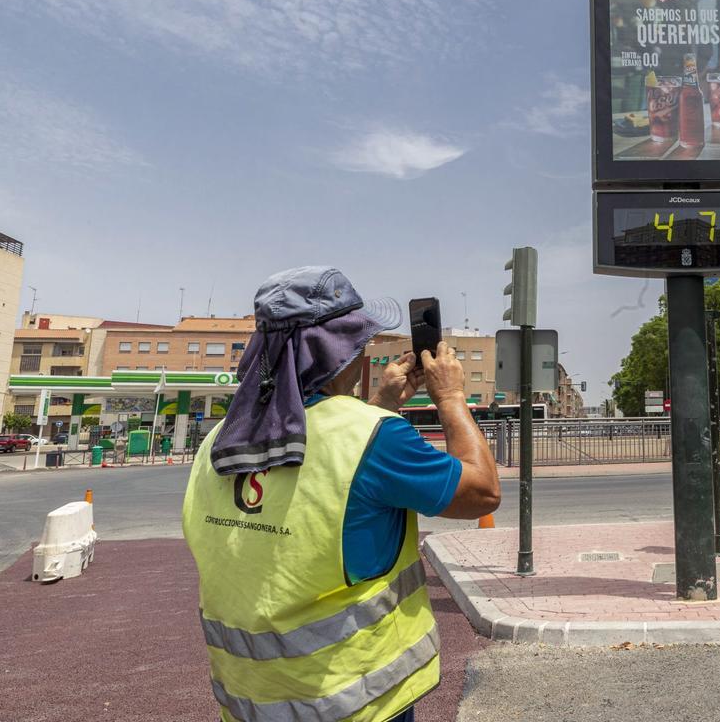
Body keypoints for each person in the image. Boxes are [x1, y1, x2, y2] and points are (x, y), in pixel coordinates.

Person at [182, 266, 500, 722]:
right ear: (336, 352)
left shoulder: (219, 442)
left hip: (251, 701)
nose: (364, 352)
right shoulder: (374, 437)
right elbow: (482, 494)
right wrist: (449, 397)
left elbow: (325, 473)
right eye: (359, 342)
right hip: (353, 699)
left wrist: (382, 403)